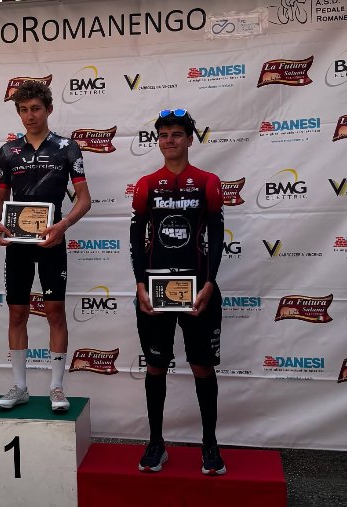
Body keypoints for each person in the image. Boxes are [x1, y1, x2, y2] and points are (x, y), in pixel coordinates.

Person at [130, 109, 225, 475]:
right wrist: (140, 284)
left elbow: (216, 235)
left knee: (202, 366)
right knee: (156, 365)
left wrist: (210, 283)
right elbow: (136, 239)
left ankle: (210, 445)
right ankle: (156, 443)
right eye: (164, 135)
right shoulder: (146, 184)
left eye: (176, 134)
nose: (169, 140)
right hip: (155, 291)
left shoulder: (207, 182)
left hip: (198, 289)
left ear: (189, 140)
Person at [0, 81, 91, 412]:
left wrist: (63, 225)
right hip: (18, 242)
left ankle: (57, 387)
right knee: (17, 312)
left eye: (35, 108)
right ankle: (19, 386)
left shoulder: (67, 148)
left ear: (48, 109)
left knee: (55, 311)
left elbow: (84, 200)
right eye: (23, 110)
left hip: (52, 240)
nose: (29, 116)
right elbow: (1, 197)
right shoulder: (8, 151)